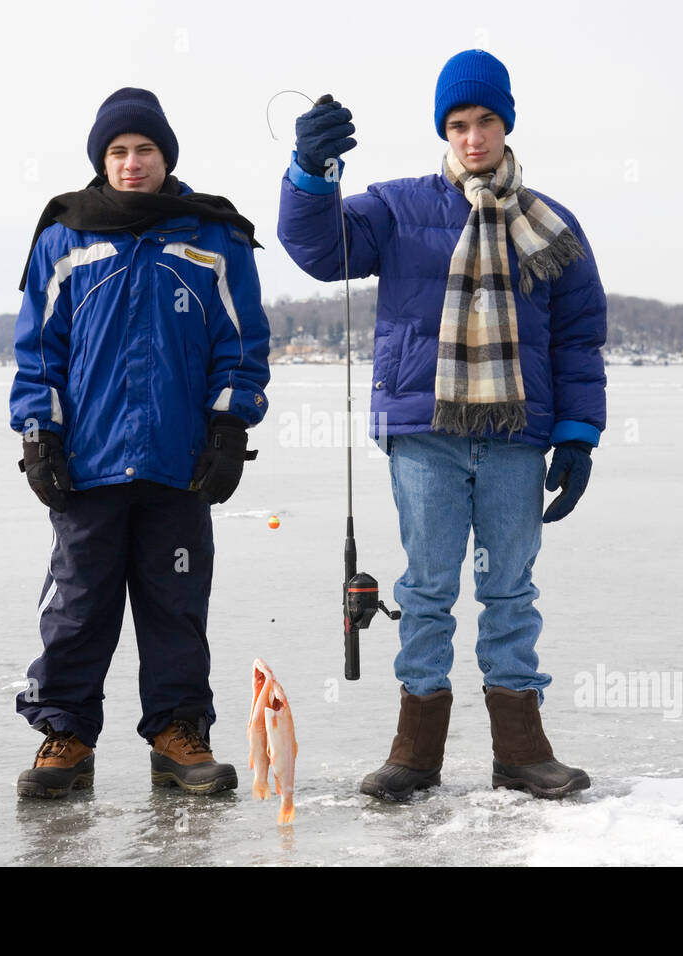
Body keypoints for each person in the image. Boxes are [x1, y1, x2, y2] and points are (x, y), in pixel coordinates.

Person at [276, 51, 606, 801]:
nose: (473, 137)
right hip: (424, 429)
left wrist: (580, 433)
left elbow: (579, 337)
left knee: (511, 591)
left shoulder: (551, 225)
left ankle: (521, 750)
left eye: (485, 120)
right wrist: (308, 172)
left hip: (517, 431)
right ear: (443, 132)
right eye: (458, 124)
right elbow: (320, 248)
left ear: (506, 123)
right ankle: (415, 752)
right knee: (426, 588)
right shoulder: (396, 208)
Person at [9, 87, 270, 798]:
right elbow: (39, 350)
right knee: (77, 603)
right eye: (118, 151)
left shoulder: (213, 236)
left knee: (175, 603)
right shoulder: (65, 236)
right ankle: (66, 736)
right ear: (102, 159)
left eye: (144, 150)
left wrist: (228, 424)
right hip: (87, 465)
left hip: (176, 463)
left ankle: (177, 734)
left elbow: (240, 344)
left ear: (165, 157)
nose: (131, 163)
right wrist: (40, 436)